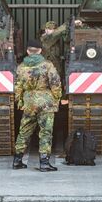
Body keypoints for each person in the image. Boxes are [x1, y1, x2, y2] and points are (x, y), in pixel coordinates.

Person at [12, 39, 62, 172]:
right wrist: (56, 98)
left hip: (29, 102)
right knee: (45, 132)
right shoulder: (48, 65)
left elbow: (18, 87)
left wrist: (20, 101)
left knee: (24, 131)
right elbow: (55, 83)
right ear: (40, 50)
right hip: (46, 102)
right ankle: (44, 163)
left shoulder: (21, 67)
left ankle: (17, 161)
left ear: (28, 51)